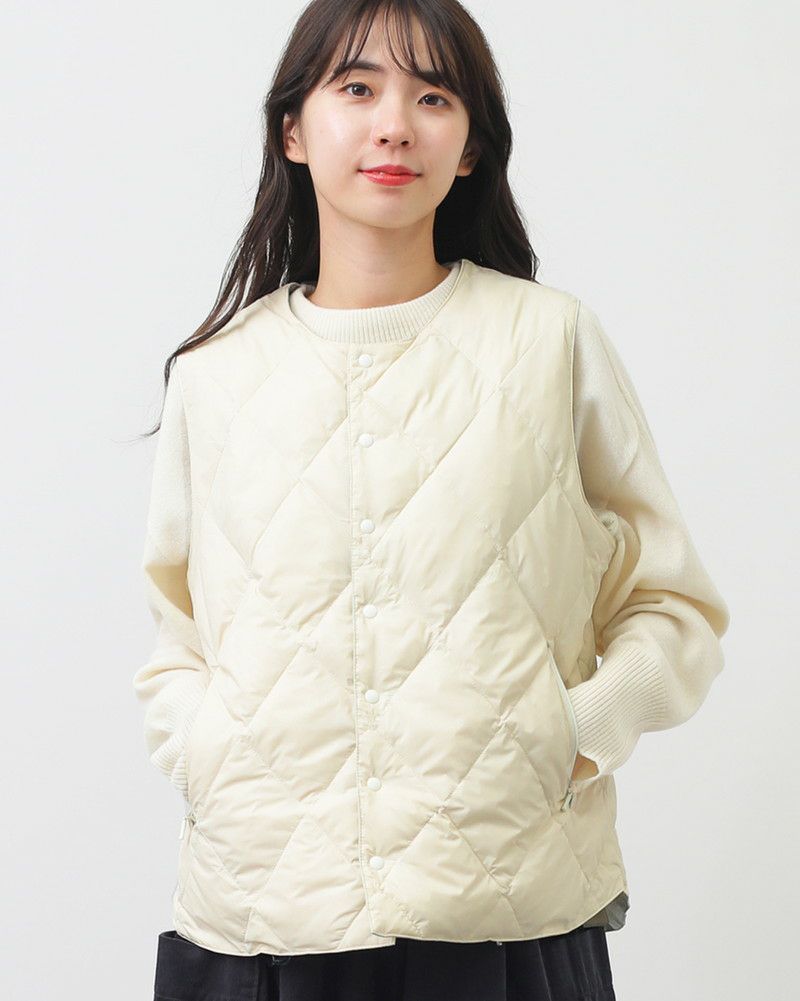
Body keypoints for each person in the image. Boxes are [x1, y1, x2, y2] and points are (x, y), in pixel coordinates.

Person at [132, 2, 730, 999]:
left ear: (469, 147)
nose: (393, 125)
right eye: (356, 87)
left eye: (433, 97)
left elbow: (673, 604)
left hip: (504, 907)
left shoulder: (549, 342)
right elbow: (178, 635)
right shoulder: (215, 374)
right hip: (259, 911)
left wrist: (573, 734)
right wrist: (208, 752)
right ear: (292, 130)